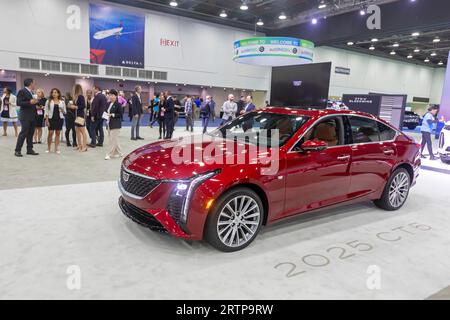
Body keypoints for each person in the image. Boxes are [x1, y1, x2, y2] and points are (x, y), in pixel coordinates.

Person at [15, 78, 39, 157]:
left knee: (31, 133)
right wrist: (30, 102)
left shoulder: (31, 92)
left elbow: (31, 103)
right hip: (25, 116)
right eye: (34, 83)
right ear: (30, 83)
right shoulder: (22, 91)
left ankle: (29, 149)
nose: (34, 85)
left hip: (32, 115)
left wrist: (36, 103)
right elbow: (18, 102)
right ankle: (17, 150)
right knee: (24, 133)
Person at [45, 88, 66, 154]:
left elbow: (65, 112)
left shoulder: (62, 101)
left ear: (58, 94)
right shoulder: (48, 101)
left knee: (58, 133)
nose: (54, 94)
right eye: (53, 92)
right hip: (51, 119)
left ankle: (56, 148)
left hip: (60, 119)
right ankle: (48, 147)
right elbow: (46, 111)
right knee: (50, 133)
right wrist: (47, 120)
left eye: (55, 92)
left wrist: (62, 110)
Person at [105, 89, 123, 160]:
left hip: (116, 124)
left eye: (112, 95)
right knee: (115, 140)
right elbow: (106, 112)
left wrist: (112, 114)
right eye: (110, 95)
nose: (111, 97)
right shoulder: (109, 104)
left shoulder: (118, 104)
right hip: (109, 123)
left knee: (112, 140)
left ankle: (109, 154)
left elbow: (120, 114)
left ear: (116, 96)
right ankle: (119, 153)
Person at [72, 84, 88, 152]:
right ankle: (79, 145)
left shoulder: (81, 96)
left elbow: (83, 106)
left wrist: (75, 107)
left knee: (83, 131)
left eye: (74, 88)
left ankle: (84, 146)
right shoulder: (76, 97)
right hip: (77, 115)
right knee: (77, 131)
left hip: (80, 116)